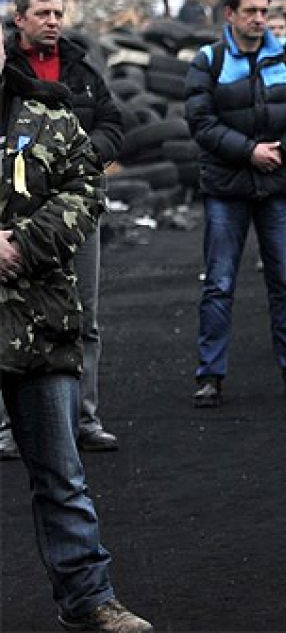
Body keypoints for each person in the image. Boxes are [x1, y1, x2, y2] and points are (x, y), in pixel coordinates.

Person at [0, 31, 152, 632]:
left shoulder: (49, 118)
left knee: (62, 477)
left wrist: (21, 245)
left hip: (39, 323)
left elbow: (85, 192)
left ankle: (89, 599)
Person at [184, 0, 286, 407]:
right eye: (250, 11)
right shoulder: (208, 60)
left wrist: (283, 151)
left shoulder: (285, 54)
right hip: (227, 188)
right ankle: (210, 375)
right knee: (219, 283)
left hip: (280, 184)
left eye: (264, 11)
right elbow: (200, 122)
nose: (259, 19)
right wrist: (250, 152)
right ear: (229, 14)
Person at [0, 0, 124, 461]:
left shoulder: (83, 72)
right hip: (14, 220)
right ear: (20, 20)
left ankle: (84, 418)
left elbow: (113, 123)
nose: (53, 20)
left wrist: (84, 158)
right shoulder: (11, 73)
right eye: (43, 13)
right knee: (9, 315)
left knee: (83, 315)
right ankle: (10, 426)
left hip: (73, 211)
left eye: (59, 12)